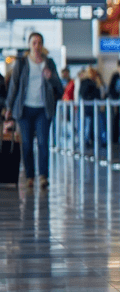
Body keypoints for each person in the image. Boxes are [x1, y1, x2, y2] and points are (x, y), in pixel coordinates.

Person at [3, 32, 64, 188]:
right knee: (27, 143)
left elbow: (59, 86)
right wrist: (9, 107)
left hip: (43, 109)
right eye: (34, 43)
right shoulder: (22, 63)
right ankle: (30, 176)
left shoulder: (49, 63)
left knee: (44, 142)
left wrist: (50, 77)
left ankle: (43, 175)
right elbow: (14, 86)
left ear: (42, 45)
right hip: (24, 109)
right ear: (29, 46)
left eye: (39, 43)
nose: (36, 46)